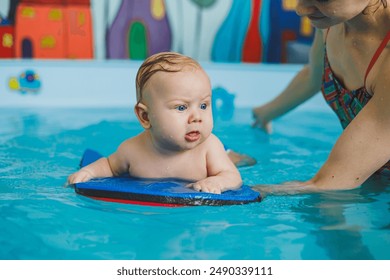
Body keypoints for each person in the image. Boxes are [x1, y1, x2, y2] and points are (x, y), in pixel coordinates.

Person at [252, 0, 390, 194]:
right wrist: (265, 113)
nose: (301, 10)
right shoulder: (332, 22)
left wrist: (239, 193)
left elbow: (331, 182)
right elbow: (314, 76)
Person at [67, 52, 242, 194]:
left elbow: (232, 176)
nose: (197, 117)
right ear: (145, 116)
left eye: (203, 105)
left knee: (237, 161)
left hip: (220, 155)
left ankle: (234, 155)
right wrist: (88, 172)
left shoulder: (209, 148)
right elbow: (109, 166)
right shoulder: (132, 150)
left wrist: (218, 181)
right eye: (181, 108)